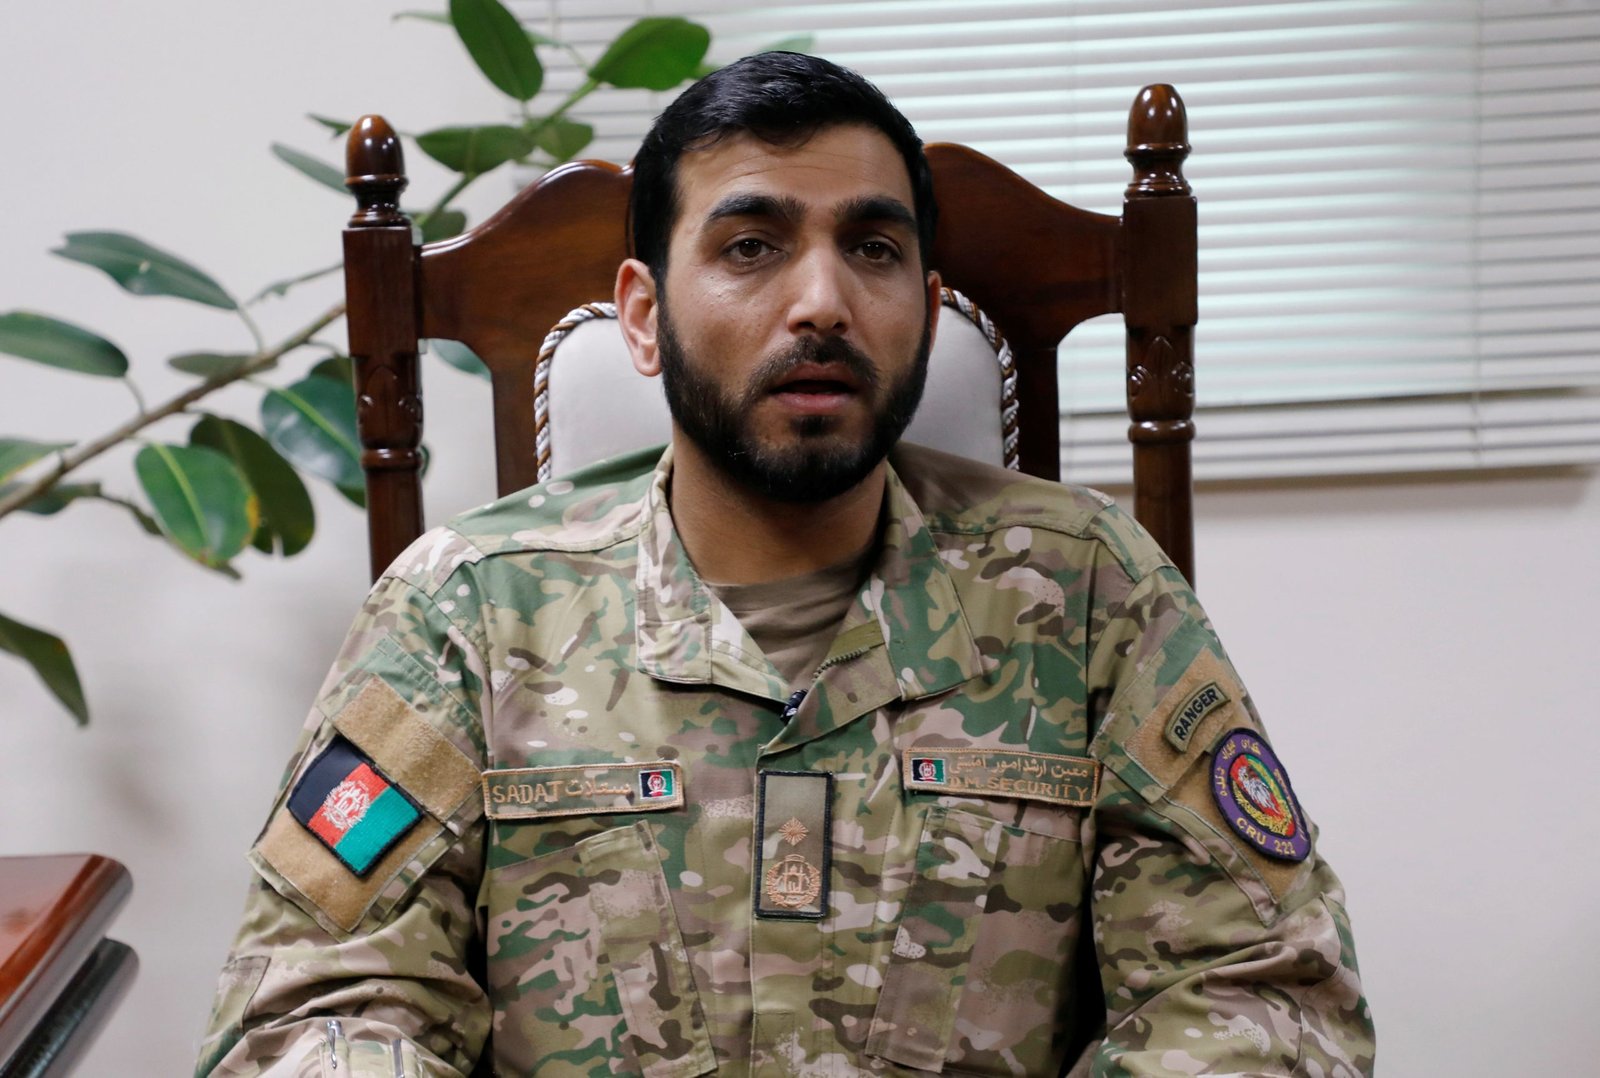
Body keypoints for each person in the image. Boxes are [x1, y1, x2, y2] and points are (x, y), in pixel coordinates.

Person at [197, 52, 1374, 1076]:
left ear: (924, 308)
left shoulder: (1086, 590)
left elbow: (1261, 989)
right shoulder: (470, 609)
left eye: (872, 249)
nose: (821, 301)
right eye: (751, 246)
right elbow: (315, 1006)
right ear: (643, 316)